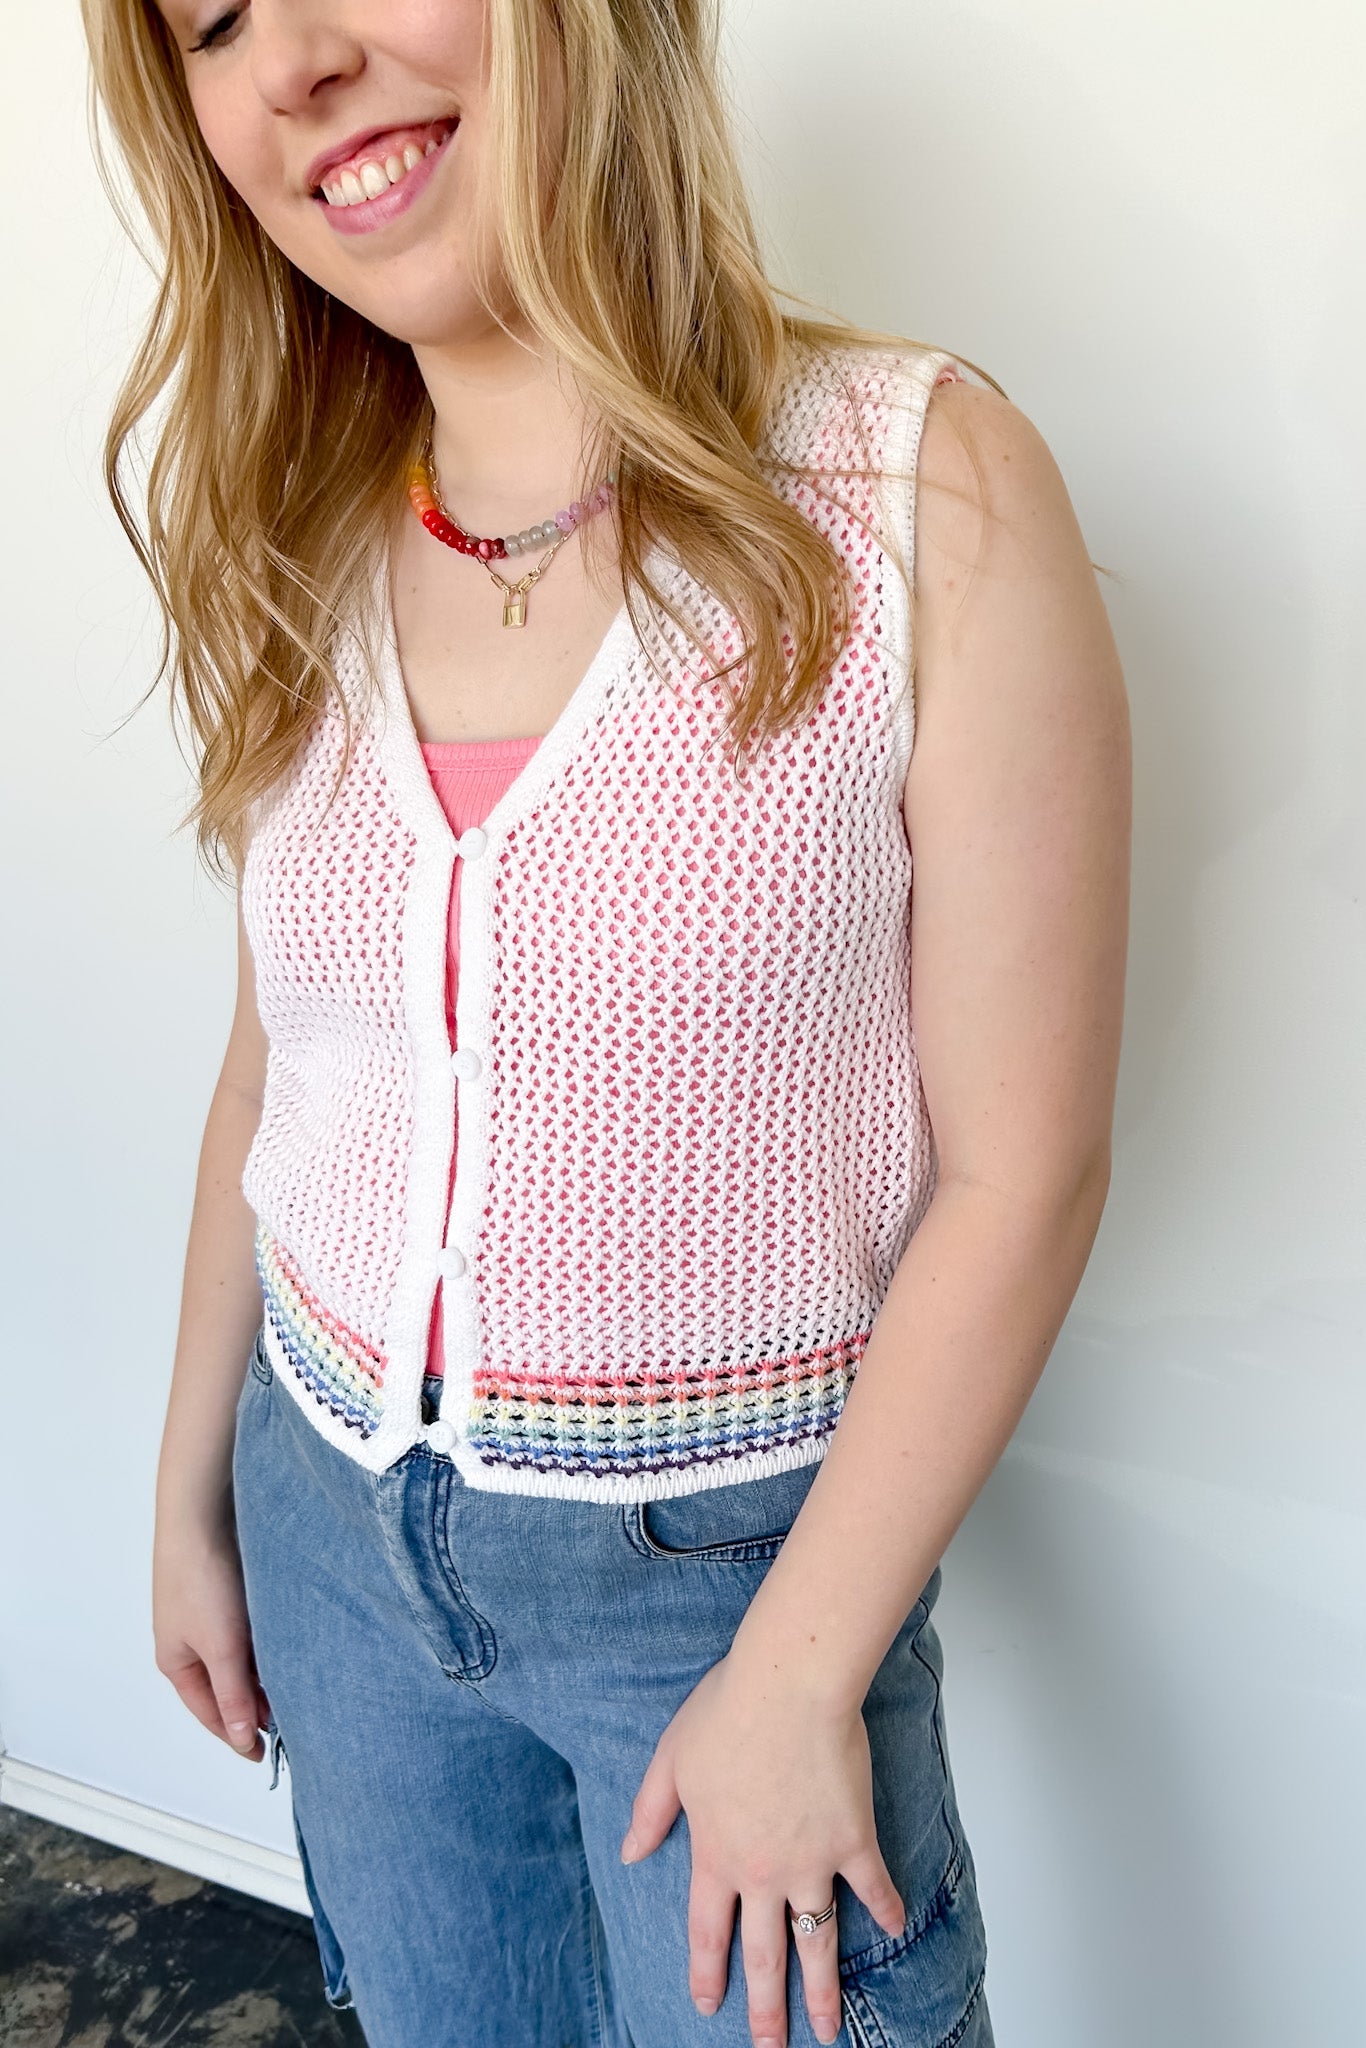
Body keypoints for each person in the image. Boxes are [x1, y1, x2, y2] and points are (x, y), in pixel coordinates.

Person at [81, 1, 1130, 2042]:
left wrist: (800, 1669)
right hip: (324, 1530)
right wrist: (189, 1487)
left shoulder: (920, 489)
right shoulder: (304, 529)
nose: (286, 61)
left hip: (726, 1586)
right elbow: (274, 1067)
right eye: (206, 21)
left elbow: (1026, 1165)